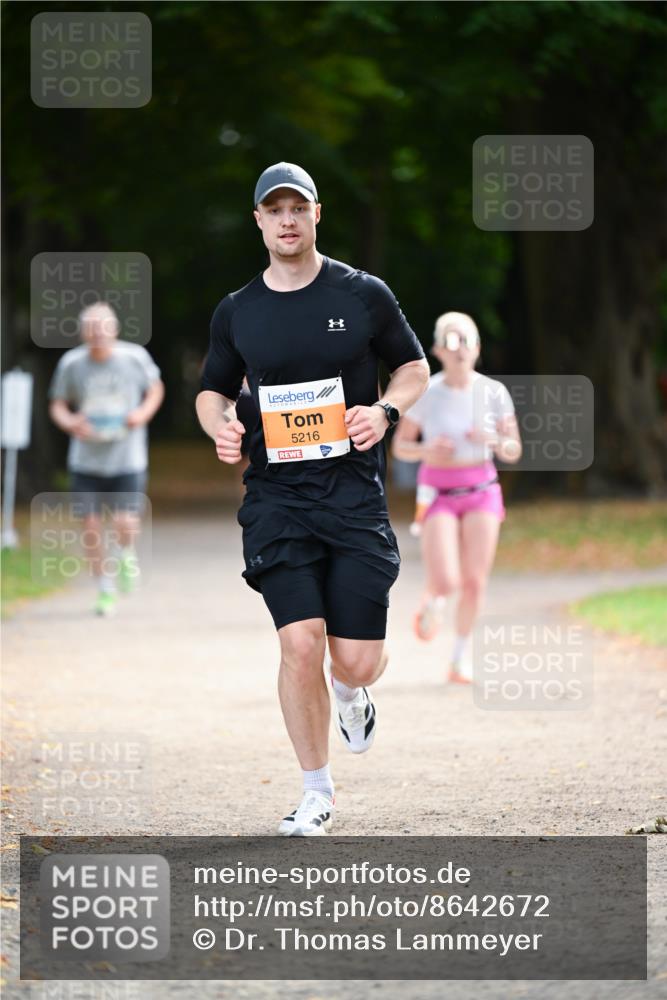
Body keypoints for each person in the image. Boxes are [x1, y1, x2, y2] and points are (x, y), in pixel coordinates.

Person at [196, 162, 429, 836]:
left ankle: (352, 691)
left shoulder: (363, 294)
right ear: (259, 221)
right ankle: (315, 791)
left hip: (352, 497)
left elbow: (413, 368)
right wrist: (221, 425)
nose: (288, 219)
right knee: (299, 641)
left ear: (316, 215)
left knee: (351, 658)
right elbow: (212, 388)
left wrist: (384, 411)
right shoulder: (238, 309)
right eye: (275, 209)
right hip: (276, 498)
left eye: (299, 207)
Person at [392, 311, 522, 682]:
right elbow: (401, 448)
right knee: (447, 579)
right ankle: (434, 600)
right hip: (438, 492)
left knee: (475, 580)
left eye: (466, 339)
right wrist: (427, 450)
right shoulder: (428, 393)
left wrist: (494, 440)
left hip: (482, 490)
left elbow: (514, 449)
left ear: (478, 347)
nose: (459, 348)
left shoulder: (493, 392)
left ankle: (459, 657)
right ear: (437, 350)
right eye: (451, 341)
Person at [49, 301, 164, 617]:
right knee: (90, 526)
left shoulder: (134, 358)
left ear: (114, 330)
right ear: (83, 332)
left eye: (104, 328)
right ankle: (104, 589)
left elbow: (155, 389)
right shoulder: (72, 363)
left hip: (127, 458)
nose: (98, 334)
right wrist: (70, 422)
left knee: (126, 522)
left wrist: (141, 413)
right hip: (85, 461)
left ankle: (125, 551)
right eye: (92, 329)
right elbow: (58, 404)